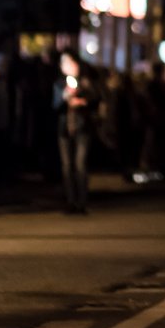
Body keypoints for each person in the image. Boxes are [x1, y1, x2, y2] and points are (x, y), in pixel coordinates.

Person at [53, 52, 98, 213]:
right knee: (67, 165)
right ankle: (70, 201)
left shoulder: (85, 82)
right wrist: (66, 96)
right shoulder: (59, 84)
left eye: (71, 62)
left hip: (82, 127)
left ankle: (82, 201)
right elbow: (56, 105)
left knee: (80, 164)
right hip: (64, 128)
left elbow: (95, 100)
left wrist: (82, 101)